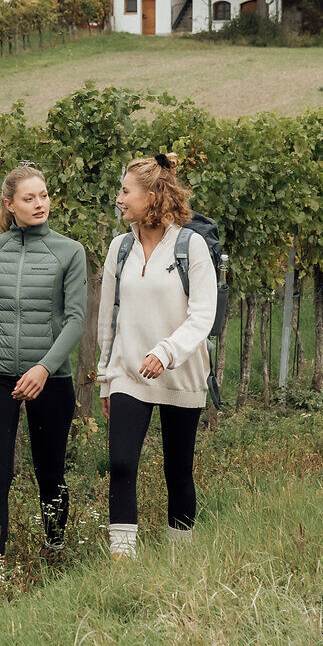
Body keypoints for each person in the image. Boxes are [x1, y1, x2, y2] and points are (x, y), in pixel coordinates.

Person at [96, 152, 216, 558]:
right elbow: (108, 317)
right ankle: (122, 558)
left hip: (181, 374)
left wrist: (166, 352)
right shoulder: (119, 248)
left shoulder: (191, 246)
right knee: (121, 464)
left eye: (125, 191)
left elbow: (202, 316)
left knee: (177, 470)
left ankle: (180, 558)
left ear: (151, 196)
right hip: (129, 373)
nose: (119, 198)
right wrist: (106, 377)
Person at [0, 164, 87, 558]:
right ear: (10, 205)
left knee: (50, 470)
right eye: (29, 198)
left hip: (50, 377)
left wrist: (43, 368)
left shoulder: (69, 251)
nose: (40, 204)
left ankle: (54, 547)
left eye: (44, 195)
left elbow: (75, 321)